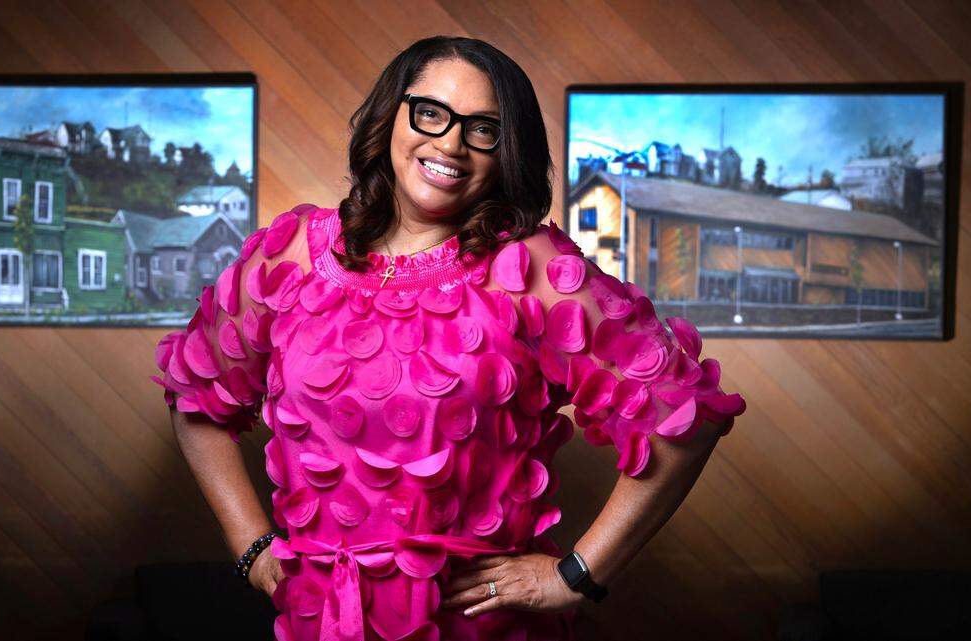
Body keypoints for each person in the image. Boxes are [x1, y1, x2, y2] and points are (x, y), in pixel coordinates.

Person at [152, 35, 746, 641]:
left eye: (482, 128)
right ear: (392, 116)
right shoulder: (292, 254)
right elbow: (196, 397)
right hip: (322, 622)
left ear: (507, 150)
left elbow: (686, 414)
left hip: (477, 628)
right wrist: (250, 545)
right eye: (431, 113)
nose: (450, 143)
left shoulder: (533, 271)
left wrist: (576, 575)